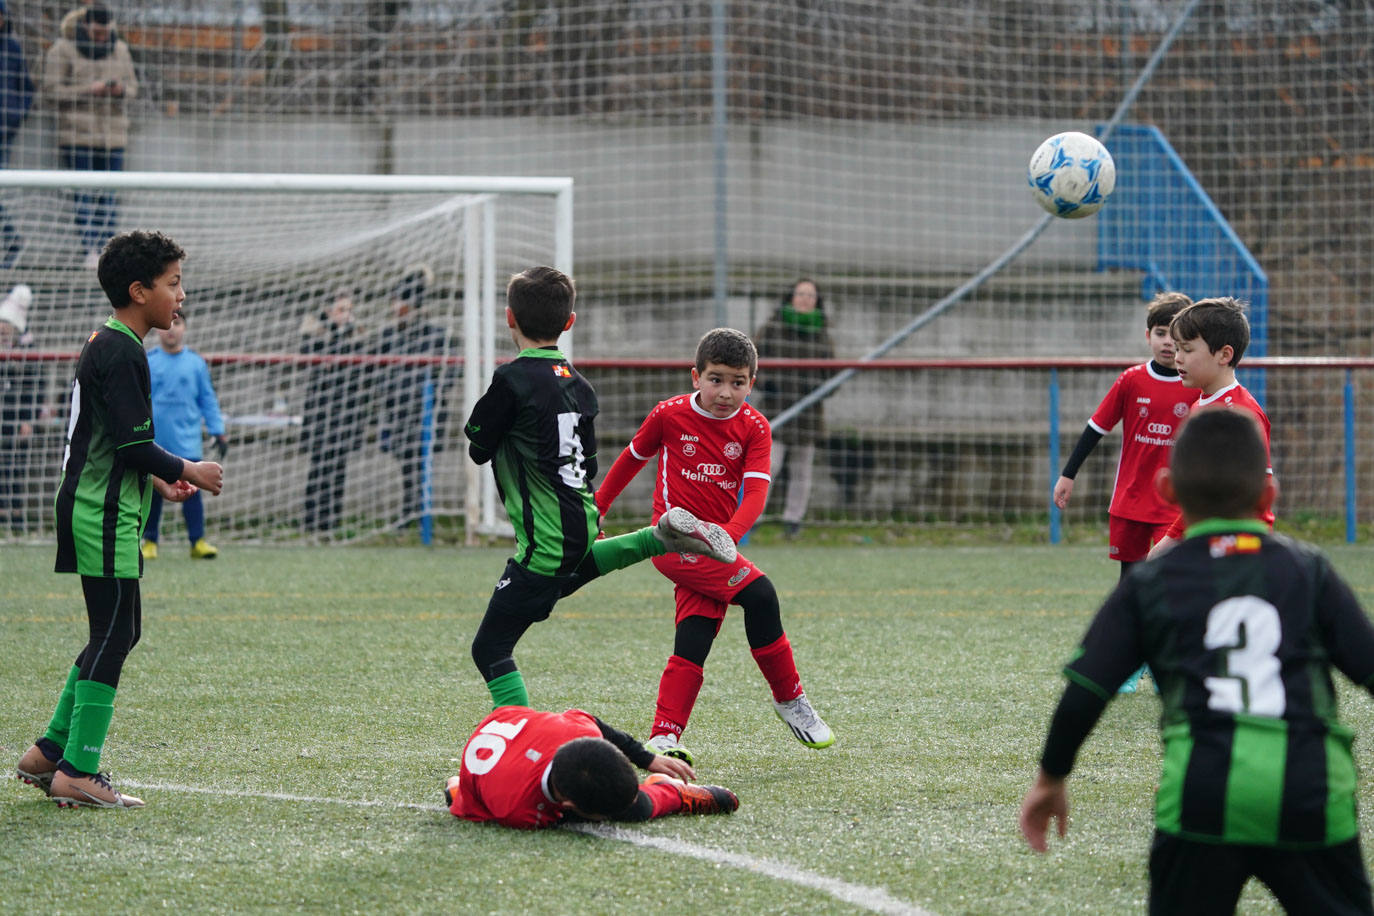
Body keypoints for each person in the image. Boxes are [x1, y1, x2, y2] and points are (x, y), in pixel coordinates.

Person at [1020, 408, 1374, 915]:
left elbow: (1087, 689)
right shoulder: (1309, 571)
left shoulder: (1150, 583)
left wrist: (1051, 777)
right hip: (1310, 793)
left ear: (1166, 491)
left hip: (1201, 796)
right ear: (1268, 497)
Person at [15, 230, 223, 809]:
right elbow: (133, 446)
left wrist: (159, 477)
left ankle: (49, 753)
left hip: (101, 502)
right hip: (99, 508)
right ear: (139, 290)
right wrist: (189, 467)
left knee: (114, 630)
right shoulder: (124, 349)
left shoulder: (112, 343)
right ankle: (78, 769)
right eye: (173, 283)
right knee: (116, 631)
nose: (181, 295)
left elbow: (117, 438)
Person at [465, 266, 737, 711]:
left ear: (509, 318)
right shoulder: (583, 388)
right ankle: (659, 536)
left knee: (490, 649)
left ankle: (517, 737)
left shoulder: (510, 380)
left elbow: (478, 447)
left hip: (547, 542)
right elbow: (586, 464)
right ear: (569, 323)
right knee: (565, 576)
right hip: (582, 521)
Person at [595, 327, 834, 764]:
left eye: (737, 382)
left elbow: (757, 492)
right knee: (761, 595)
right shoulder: (668, 415)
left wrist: (726, 537)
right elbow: (632, 458)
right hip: (670, 540)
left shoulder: (755, 428)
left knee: (696, 630)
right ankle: (790, 698)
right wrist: (597, 508)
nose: (726, 391)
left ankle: (664, 735)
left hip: (715, 546)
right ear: (695, 377)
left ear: (752, 383)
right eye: (716, 379)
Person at [1052, 291, 1198, 692]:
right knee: (1131, 587)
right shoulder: (1132, 380)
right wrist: (1068, 474)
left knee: (1172, 585)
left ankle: (1168, 661)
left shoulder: (1198, 386)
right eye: (1162, 333)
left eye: (1178, 336)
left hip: (1174, 510)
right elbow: (1096, 427)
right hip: (1131, 504)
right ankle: (1131, 664)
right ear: (1148, 335)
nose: (1169, 343)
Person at [445, 705, 739, 829]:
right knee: (629, 811)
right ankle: (671, 793)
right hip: (503, 762)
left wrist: (645, 759)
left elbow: (596, 724)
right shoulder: (520, 811)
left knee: (609, 800)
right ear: (568, 803)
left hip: (512, 726)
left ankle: (461, 785)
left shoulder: (579, 730)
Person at [1147, 296, 1273, 559]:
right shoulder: (1202, 404)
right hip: (1206, 535)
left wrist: (1172, 539)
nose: (1177, 358)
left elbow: (1258, 491)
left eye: (1187, 350)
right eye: (1178, 349)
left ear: (1224, 354)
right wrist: (1175, 536)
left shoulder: (1240, 413)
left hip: (1239, 544)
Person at [42, 4, 138, 269]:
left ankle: (110, 252)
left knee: (109, 196)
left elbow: (133, 88)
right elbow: (51, 91)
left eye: (105, 32)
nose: (101, 37)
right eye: (96, 32)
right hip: (77, 136)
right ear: (86, 26)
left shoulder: (120, 49)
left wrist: (119, 91)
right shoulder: (62, 49)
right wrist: (89, 90)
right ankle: (90, 250)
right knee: (83, 195)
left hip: (113, 136)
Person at [753, 278, 836, 539]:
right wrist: (768, 384)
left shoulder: (822, 334)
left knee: (802, 470)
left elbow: (832, 375)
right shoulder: (771, 328)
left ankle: (793, 521)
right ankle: (753, 517)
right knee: (770, 466)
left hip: (808, 414)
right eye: (800, 294)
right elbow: (752, 362)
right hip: (776, 409)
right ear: (790, 297)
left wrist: (817, 387)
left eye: (810, 295)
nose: (805, 299)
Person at [142, 313, 227, 560]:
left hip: (187, 441)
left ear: (185, 328)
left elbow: (207, 400)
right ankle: (150, 541)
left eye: (177, 324)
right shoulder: (147, 361)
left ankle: (197, 541)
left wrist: (218, 431)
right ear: (158, 330)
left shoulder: (196, 363)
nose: (171, 329)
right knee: (154, 492)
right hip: (156, 442)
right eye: (167, 324)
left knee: (192, 492)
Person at [369, 265, 447, 527]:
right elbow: (378, 373)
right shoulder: (388, 336)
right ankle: (409, 513)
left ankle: (418, 514)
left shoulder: (435, 335)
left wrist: (427, 392)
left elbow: (448, 374)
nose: (395, 308)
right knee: (406, 466)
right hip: (398, 412)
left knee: (421, 464)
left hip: (426, 412)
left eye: (400, 302)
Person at [300, 285, 365, 534]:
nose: (345, 314)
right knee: (319, 466)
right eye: (340, 309)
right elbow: (311, 355)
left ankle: (332, 522)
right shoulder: (316, 335)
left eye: (349, 310)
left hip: (345, 412)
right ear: (329, 311)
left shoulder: (355, 335)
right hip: (320, 411)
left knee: (339, 467)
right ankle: (311, 521)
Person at [0, 283, 43, 531]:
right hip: (2, 416)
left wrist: (29, 419)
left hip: (19, 419)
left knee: (17, 464)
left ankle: (15, 513)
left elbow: (34, 389)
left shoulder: (27, 353)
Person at [0, 1, 35, 266]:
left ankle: (12, 239)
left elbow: (27, 88)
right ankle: (11, 238)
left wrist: (14, 114)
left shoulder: (11, 48)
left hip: (4, 130)